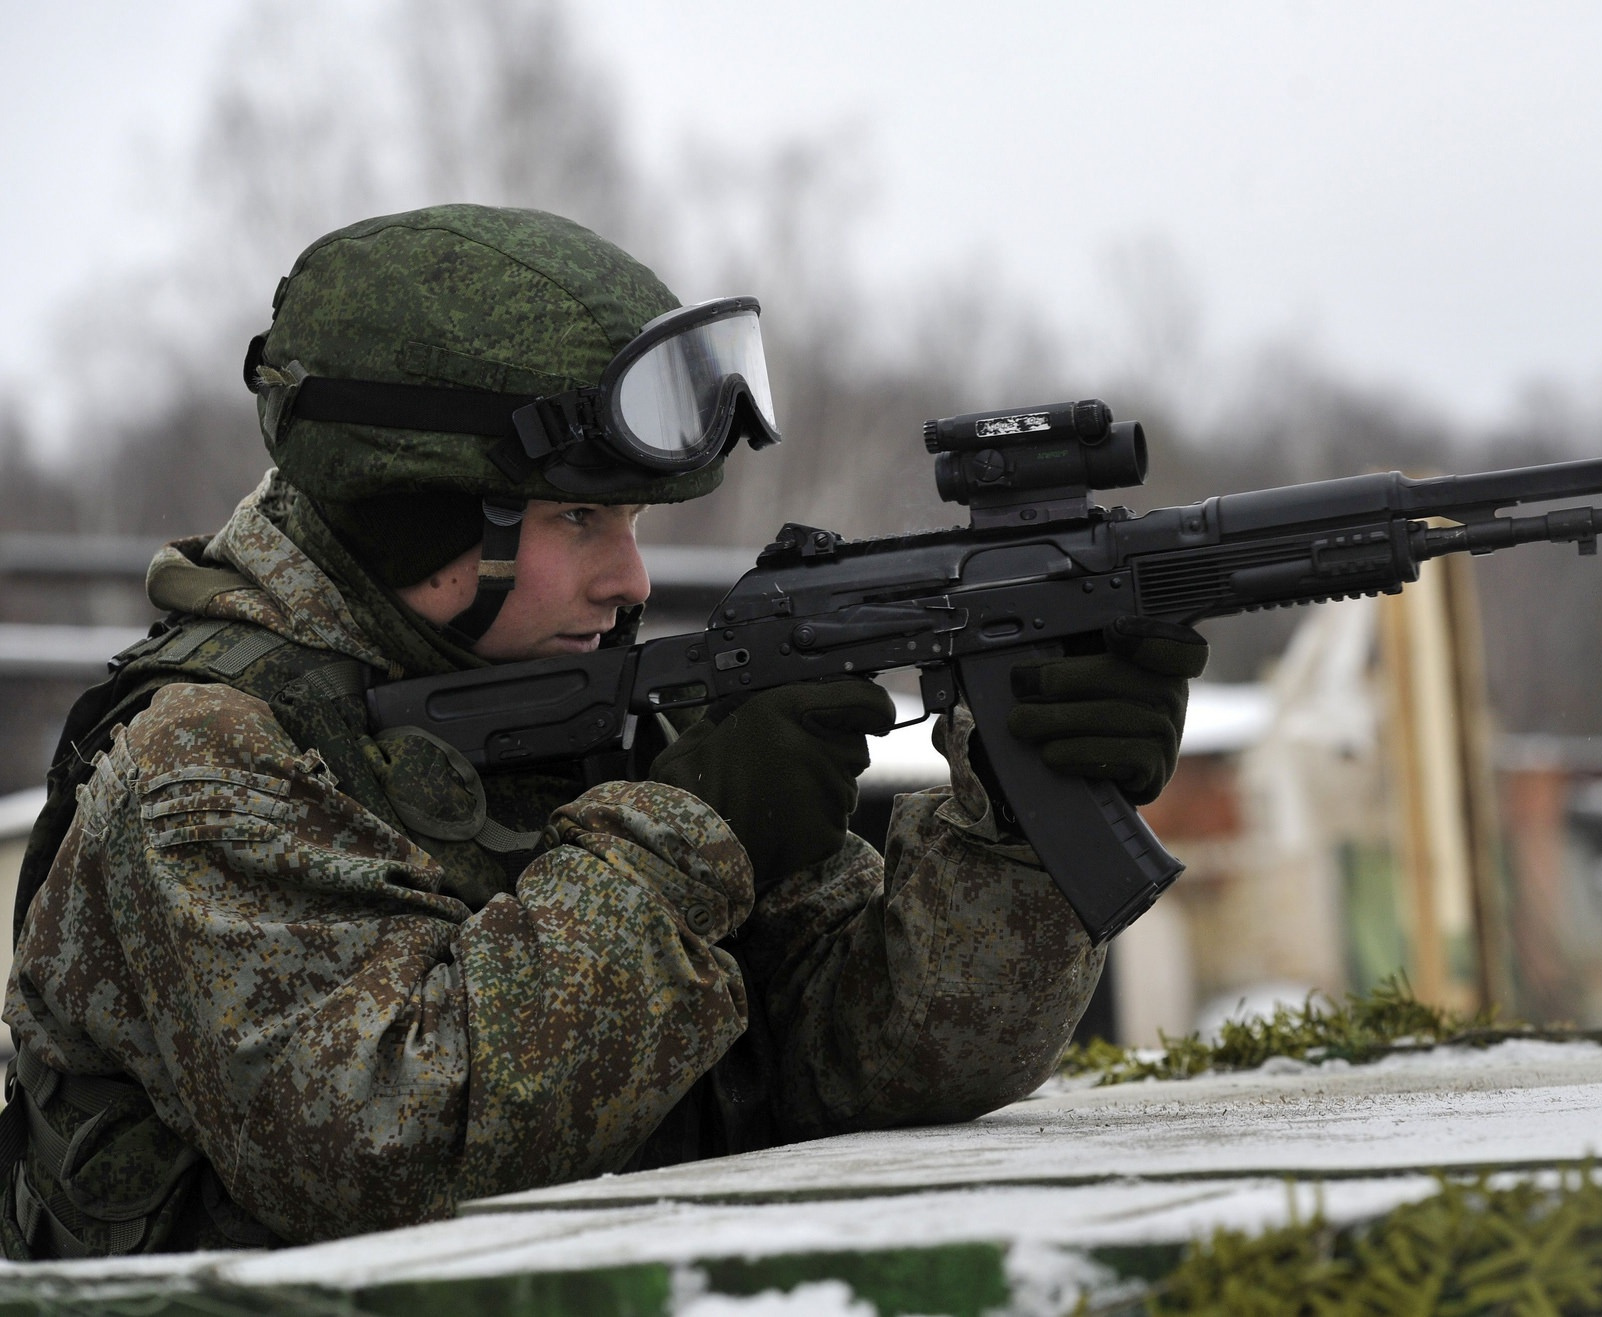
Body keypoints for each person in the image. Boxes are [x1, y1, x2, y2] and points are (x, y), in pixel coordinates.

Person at [0, 205, 1205, 1257]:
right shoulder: (200, 767)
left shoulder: (592, 710)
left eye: (627, 519)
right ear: (417, 516)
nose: (628, 578)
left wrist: (1019, 811)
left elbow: (880, 1057)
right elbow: (387, 1147)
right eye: (578, 517)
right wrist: (687, 838)